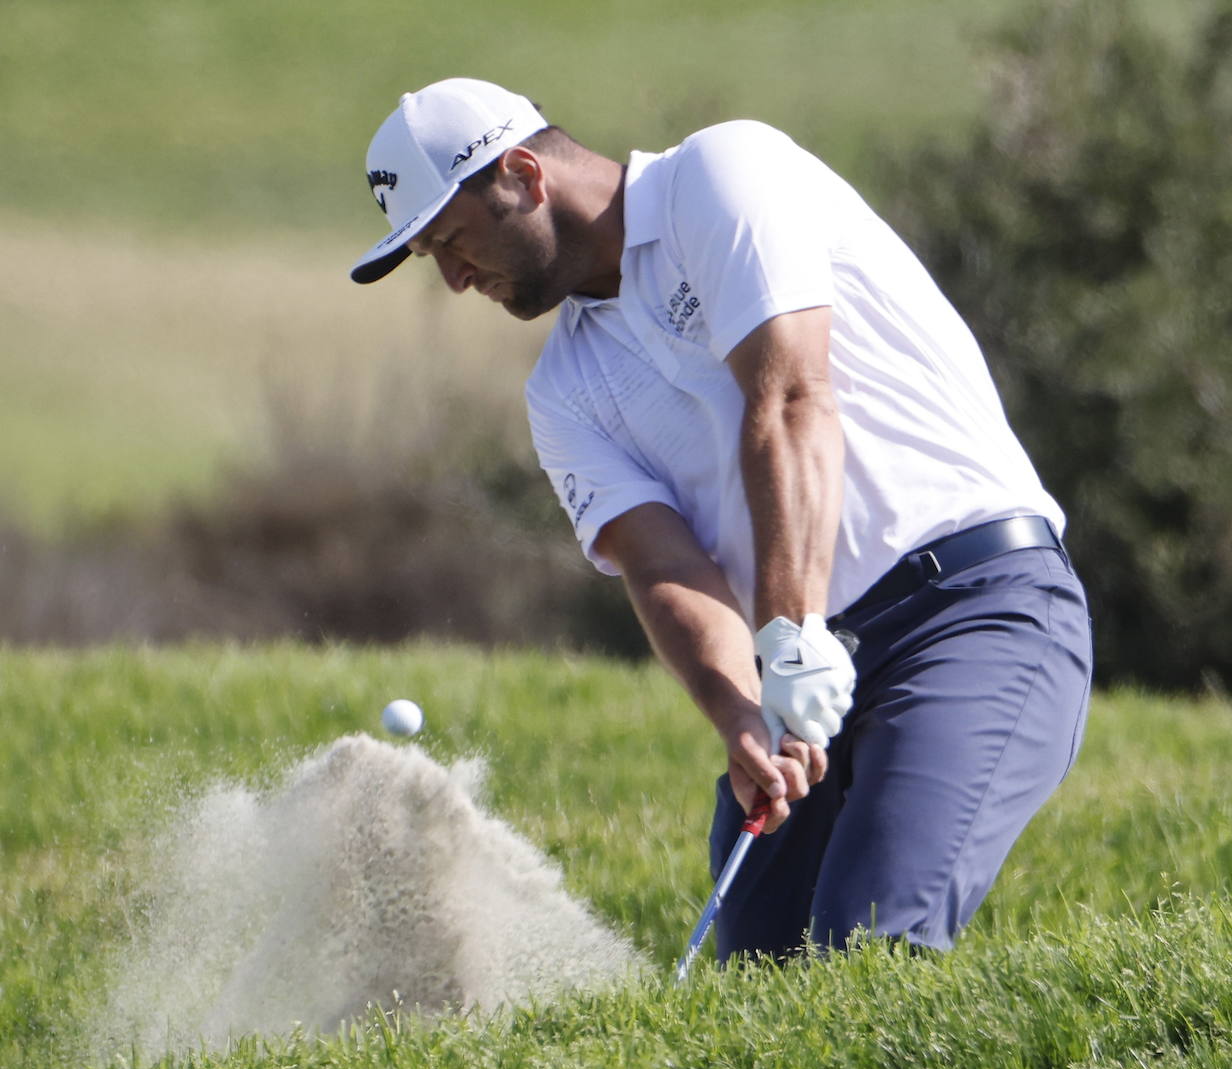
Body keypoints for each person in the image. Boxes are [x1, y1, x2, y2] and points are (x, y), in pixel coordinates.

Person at [350, 78, 1093, 960]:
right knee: (759, 980)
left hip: (975, 608)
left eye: (451, 239)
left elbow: (788, 400)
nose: (453, 277)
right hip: (806, 672)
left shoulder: (721, 173)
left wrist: (787, 636)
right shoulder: (562, 394)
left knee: (871, 948)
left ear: (521, 174)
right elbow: (663, 566)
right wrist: (740, 708)